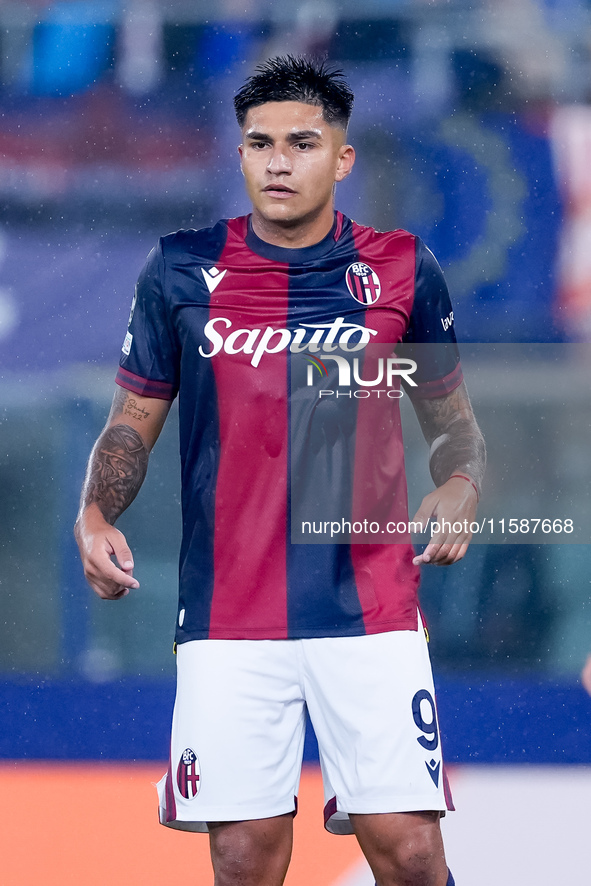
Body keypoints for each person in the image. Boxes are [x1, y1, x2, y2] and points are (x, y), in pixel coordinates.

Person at [75, 56, 485, 886]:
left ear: (341, 158)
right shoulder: (179, 270)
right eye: (258, 143)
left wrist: (460, 484)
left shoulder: (402, 268)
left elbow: (453, 425)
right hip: (229, 611)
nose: (277, 161)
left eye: (301, 143)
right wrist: (94, 514)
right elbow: (131, 423)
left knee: (406, 848)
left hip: (368, 606)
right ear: (238, 156)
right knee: (243, 856)